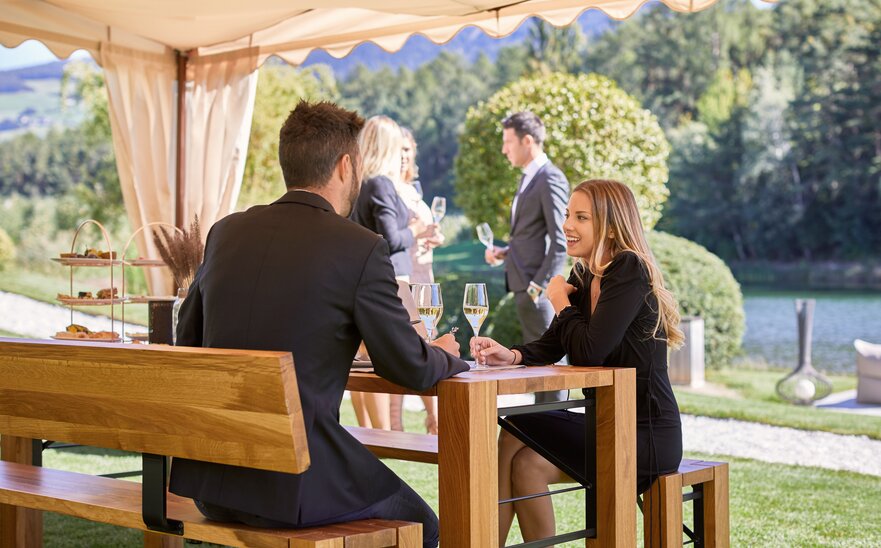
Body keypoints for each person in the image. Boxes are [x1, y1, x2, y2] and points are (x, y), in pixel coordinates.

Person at [169, 100, 468, 548]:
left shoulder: (225, 232)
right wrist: (444, 353)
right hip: (296, 483)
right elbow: (408, 366)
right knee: (425, 526)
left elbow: (187, 341)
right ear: (346, 166)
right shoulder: (360, 248)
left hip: (215, 483)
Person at [470, 179, 685, 545]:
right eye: (569, 214)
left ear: (611, 227)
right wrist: (513, 355)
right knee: (525, 464)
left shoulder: (628, 269)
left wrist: (558, 299)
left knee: (511, 428)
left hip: (646, 434)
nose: (568, 224)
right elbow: (555, 343)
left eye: (581, 217)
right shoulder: (584, 274)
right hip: (606, 425)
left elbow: (588, 353)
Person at [349, 116, 436, 430]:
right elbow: (390, 239)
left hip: (362, 280)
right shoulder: (380, 184)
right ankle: (388, 435)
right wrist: (415, 228)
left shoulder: (357, 183)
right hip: (392, 282)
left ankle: (377, 436)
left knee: (366, 360)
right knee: (408, 354)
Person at [485, 111, 568, 403]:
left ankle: (555, 438)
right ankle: (543, 438)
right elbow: (533, 235)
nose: (504, 148)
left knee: (550, 370)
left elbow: (561, 241)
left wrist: (538, 286)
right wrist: (505, 252)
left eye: (509, 141)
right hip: (524, 285)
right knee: (538, 369)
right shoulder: (527, 178)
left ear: (528, 141)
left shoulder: (549, 178)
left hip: (538, 291)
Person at [389, 127, 442, 434]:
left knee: (427, 343)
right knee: (418, 346)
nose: (405, 155)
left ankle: (431, 420)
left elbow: (424, 228)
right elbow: (397, 236)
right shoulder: (388, 191)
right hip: (404, 277)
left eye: (409, 150)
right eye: (400, 150)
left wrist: (433, 235)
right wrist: (420, 232)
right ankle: (398, 426)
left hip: (425, 273)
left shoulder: (412, 189)